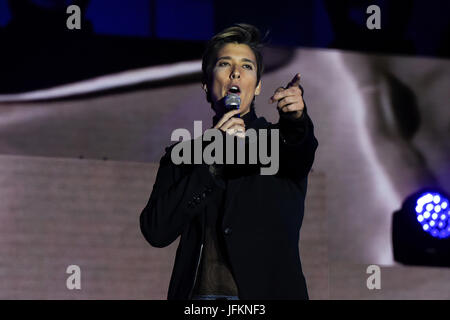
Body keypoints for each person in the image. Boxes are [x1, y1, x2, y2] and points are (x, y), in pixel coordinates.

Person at [140, 23, 318, 300]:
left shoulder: (278, 142)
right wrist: (212, 162)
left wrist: (296, 120)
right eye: (225, 64)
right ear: (206, 83)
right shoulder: (182, 156)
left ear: (258, 86)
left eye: (247, 66)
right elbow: (156, 230)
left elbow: (299, 149)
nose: (235, 72)